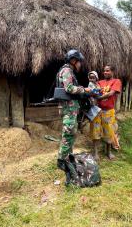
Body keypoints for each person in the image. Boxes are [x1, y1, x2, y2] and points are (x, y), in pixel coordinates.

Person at [56, 49, 87, 185]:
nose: (80, 64)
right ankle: (63, 163)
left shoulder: (67, 71)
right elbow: (69, 88)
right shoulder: (67, 71)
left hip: (71, 110)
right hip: (69, 110)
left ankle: (68, 163)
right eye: (79, 62)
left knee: (70, 135)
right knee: (68, 136)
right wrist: (83, 89)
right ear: (74, 61)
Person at [90, 65, 121, 160]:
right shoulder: (100, 82)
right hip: (97, 110)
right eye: (104, 71)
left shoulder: (116, 81)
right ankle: (95, 153)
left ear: (112, 72)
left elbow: (111, 93)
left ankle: (108, 152)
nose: (105, 72)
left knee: (109, 131)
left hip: (108, 111)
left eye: (107, 71)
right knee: (95, 130)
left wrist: (99, 97)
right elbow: (93, 90)